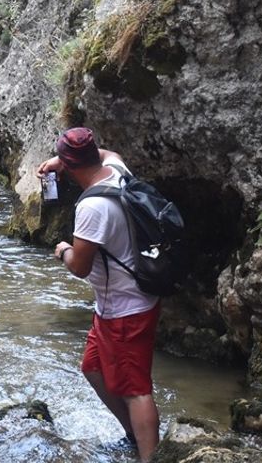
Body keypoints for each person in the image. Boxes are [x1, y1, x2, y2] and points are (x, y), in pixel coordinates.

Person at [41, 128, 160, 461]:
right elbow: (108, 154)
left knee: (136, 389)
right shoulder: (118, 171)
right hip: (120, 303)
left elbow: (80, 266)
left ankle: (150, 455)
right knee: (93, 368)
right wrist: (59, 161)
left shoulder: (92, 207)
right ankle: (135, 436)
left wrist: (63, 249)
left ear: (70, 164)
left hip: (126, 308)